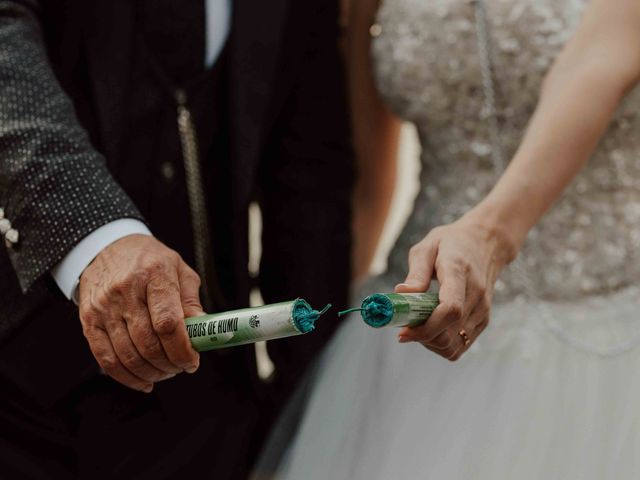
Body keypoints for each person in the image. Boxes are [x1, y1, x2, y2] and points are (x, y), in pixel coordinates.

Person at [258, 0, 640, 478]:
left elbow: (598, 63)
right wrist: (318, 343)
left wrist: (488, 235)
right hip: (412, 333)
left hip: (606, 329)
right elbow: (368, 186)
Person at [0, 0, 353, 478]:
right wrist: (96, 235)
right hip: (17, 383)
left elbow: (309, 177)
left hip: (206, 406)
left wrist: (299, 406)